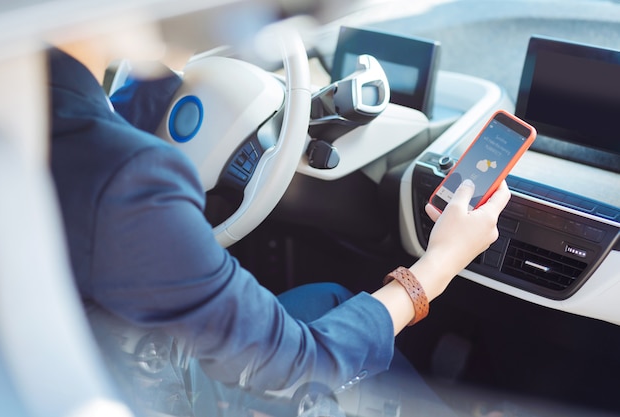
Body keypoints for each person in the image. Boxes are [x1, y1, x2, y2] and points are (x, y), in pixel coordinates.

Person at [47, 29, 511, 417]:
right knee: (340, 358)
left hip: (88, 358)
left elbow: (113, 118)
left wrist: (163, 47)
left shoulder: (43, 111)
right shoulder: (131, 178)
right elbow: (300, 367)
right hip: (156, 394)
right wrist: (441, 263)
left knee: (331, 298)